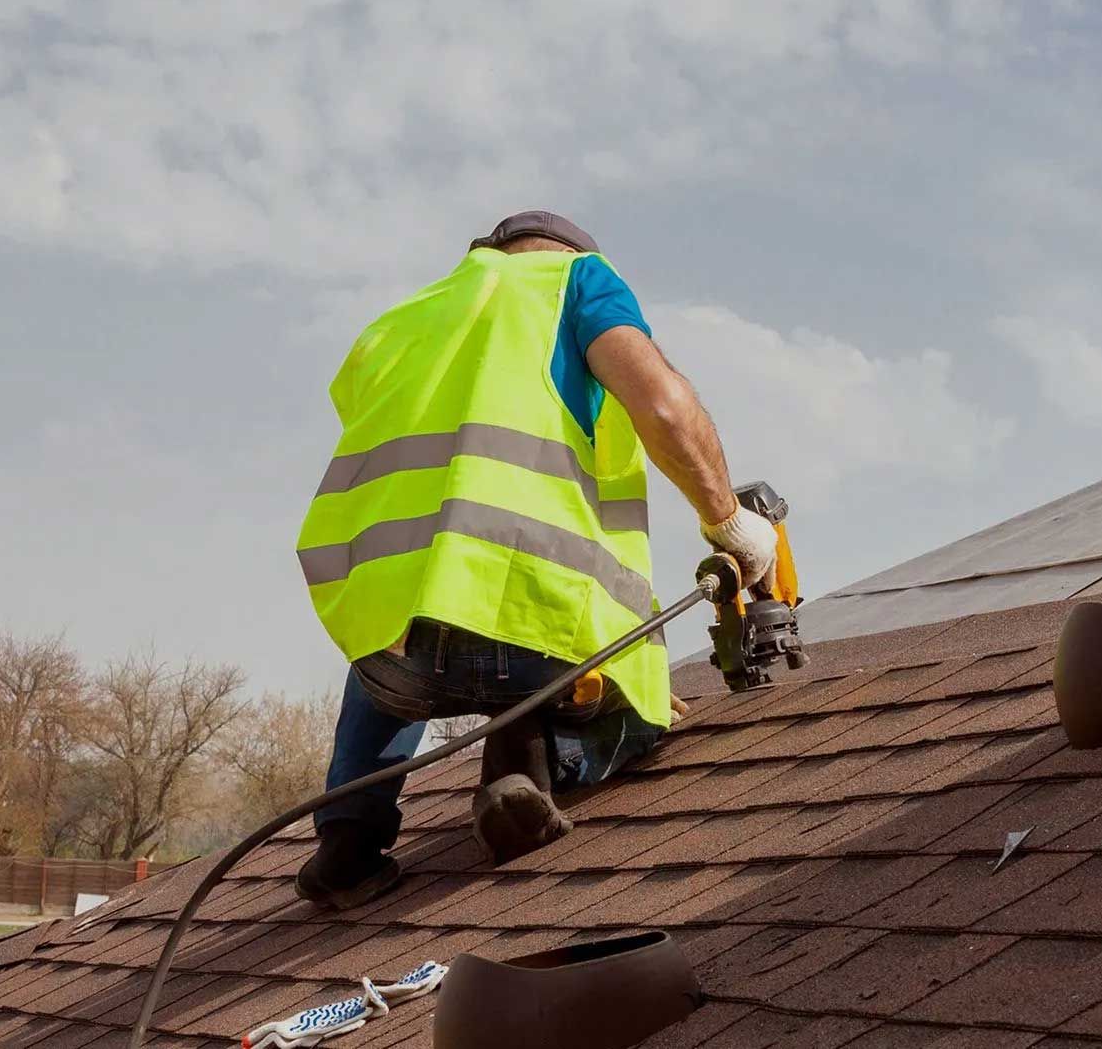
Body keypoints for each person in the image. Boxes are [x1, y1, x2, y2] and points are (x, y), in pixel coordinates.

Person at [294, 210, 777, 909]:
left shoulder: (406, 318)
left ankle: (347, 843)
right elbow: (665, 408)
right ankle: (521, 769)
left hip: (389, 651)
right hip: (532, 641)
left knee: (400, 632)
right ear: (563, 255)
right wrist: (730, 523)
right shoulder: (577, 283)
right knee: (628, 704)